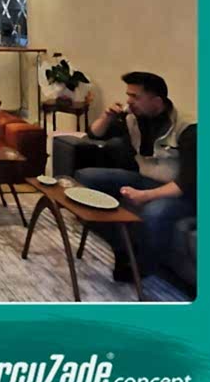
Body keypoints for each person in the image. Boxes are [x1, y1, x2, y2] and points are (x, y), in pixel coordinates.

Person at [76, 72, 196, 282]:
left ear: (156, 101)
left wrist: (144, 196)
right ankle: (121, 246)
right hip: (146, 179)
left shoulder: (189, 129)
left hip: (182, 193)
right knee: (85, 178)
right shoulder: (133, 118)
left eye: (135, 96)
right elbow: (94, 134)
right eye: (128, 95)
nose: (129, 101)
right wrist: (106, 116)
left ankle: (142, 268)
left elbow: (186, 183)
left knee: (153, 212)